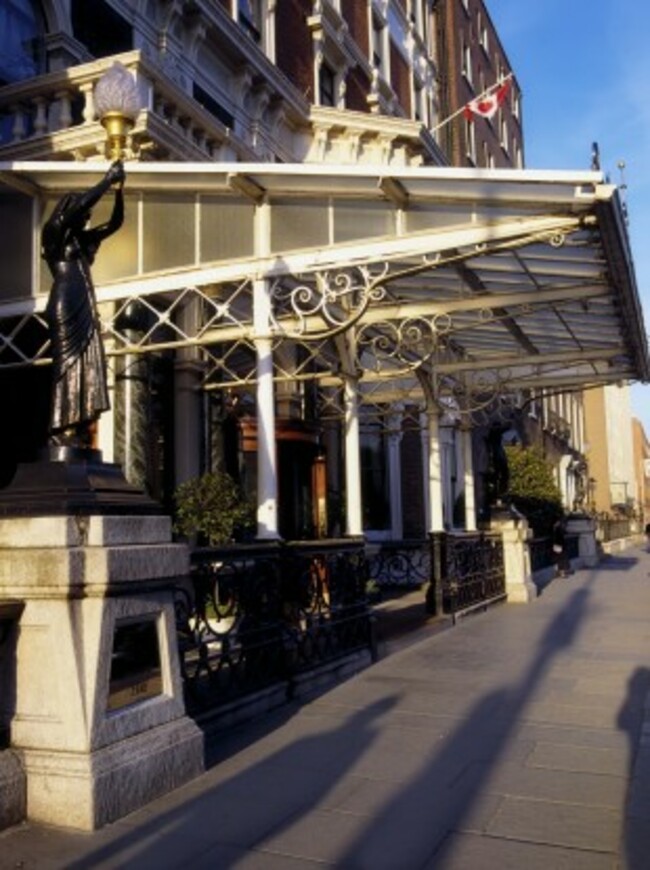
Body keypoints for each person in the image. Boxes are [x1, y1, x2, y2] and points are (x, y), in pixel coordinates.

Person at [41, 160, 125, 448]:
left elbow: (114, 224)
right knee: (65, 364)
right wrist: (106, 181)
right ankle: (58, 427)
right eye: (82, 212)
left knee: (87, 363)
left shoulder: (82, 239)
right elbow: (71, 214)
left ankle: (74, 426)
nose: (87, 217)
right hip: (65, 302)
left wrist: (119, 191)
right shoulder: (54, 233)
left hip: (84, 301)